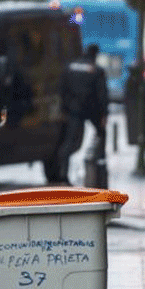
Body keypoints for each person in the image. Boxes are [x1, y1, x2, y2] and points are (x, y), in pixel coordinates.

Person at [56, 44, 108, 185]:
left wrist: (64, 108)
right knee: (100, 134)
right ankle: (99, 163)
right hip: (91, 110)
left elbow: (61, 89)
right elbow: (102, 95)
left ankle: (62, 173)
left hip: (73, 110)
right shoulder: (97, 70)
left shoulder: (69, 67)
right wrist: (104, 115)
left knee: (69, 141)